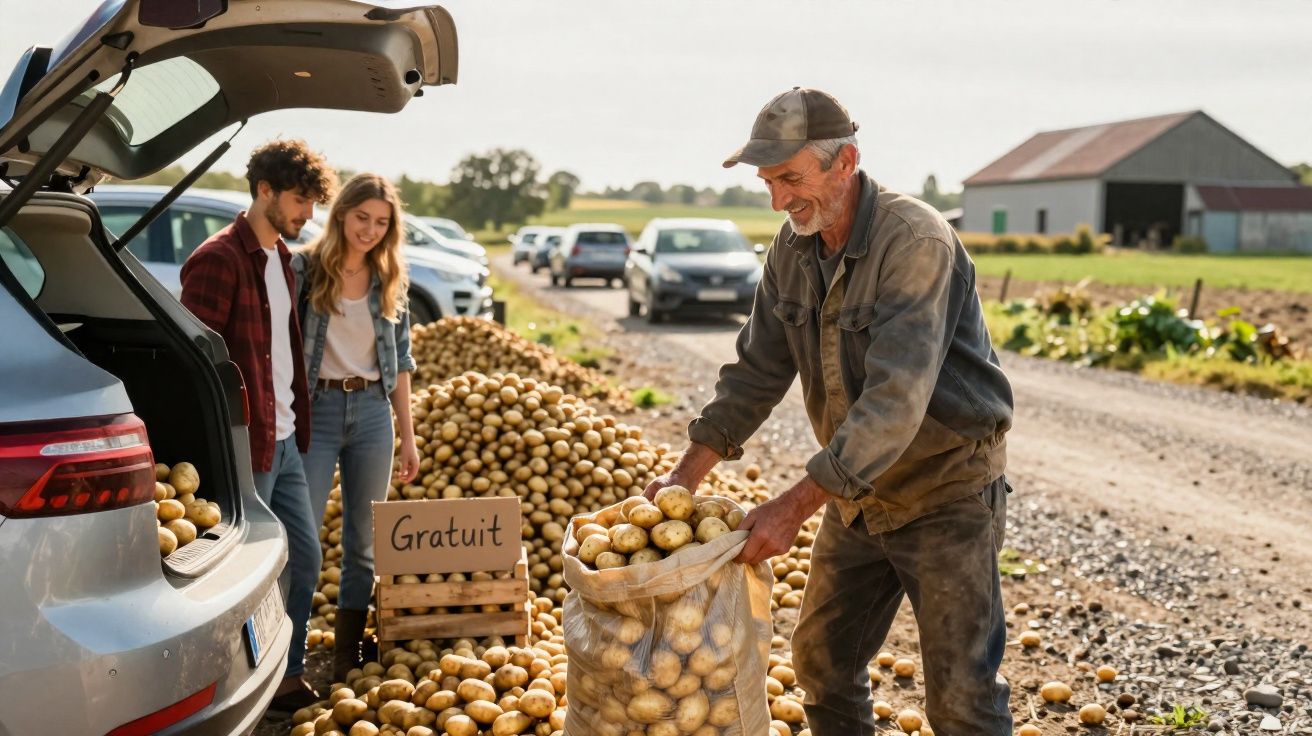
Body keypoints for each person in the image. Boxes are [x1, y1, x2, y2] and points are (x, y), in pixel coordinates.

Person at [644, 88, 1016, 736]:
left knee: (961, 697)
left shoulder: (914, 241)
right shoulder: (791, 250)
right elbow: (756, 372)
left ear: (845, 162)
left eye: (790, 179)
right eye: (768, 182)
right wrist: (684, 476)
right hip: (859, 495)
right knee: (821, 663)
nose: (778, 200)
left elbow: (896, 401)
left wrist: (791, 507)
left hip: (944, 491)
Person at [181, 139, 336, 710]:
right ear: (264, 190)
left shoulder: (283, 260)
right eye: (299, 200)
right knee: (244, 572)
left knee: (305, 558)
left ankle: (285, 672)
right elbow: (193, 367)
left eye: (313, 203)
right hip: (247, 446)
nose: (308, 214)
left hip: (287, 438)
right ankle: (237, 685)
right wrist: (225, 445)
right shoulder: (219, 259)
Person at [292, 173, 420, 682]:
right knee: (303, 538)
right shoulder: (304, 269)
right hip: (317, 410)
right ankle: (288, 657)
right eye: (362, 217)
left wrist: (408, 435)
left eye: (381, 222)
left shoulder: (389, 277)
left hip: (371, 413)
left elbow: (401, 362)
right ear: (341, 213)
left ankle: (345, 656)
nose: (370, 230)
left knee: (364, 543)